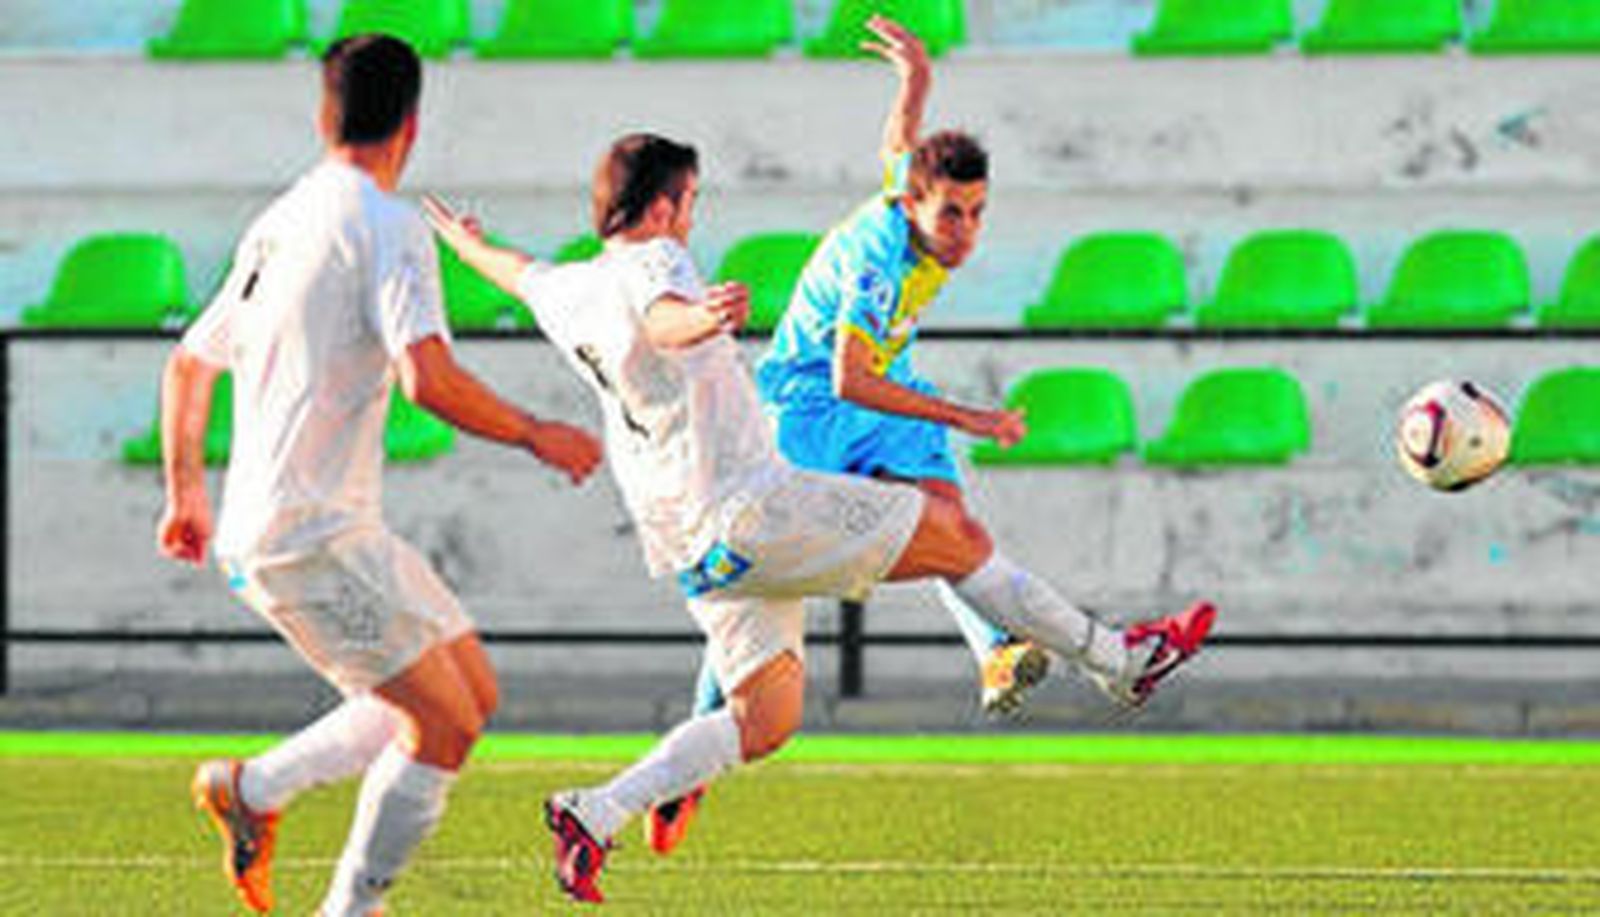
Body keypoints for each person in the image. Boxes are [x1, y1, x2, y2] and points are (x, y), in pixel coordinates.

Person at [424, 130, 1215, 905]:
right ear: (662, 208)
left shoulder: (569, 286)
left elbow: (514, 271)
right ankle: (1119, 659)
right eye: (690, 201)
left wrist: (466, 245)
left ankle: (594, 812)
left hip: (691, 545)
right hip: (753, 506)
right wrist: (702, 316)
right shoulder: (656, 259)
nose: (691, 217)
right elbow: (660, 317)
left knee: (765, 719)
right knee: (957, 534)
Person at [156, 34, 600, 916]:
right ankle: (351, 909)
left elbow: (188, 363)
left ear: (325, 117)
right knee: (443, 721)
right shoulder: (388, 226)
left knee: (469, 688)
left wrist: (186, 493)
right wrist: (535, 432)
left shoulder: (280, 220)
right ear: (412, 124)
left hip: (325, 526)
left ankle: (254, 788)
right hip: (304, 538)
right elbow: (426, 379)